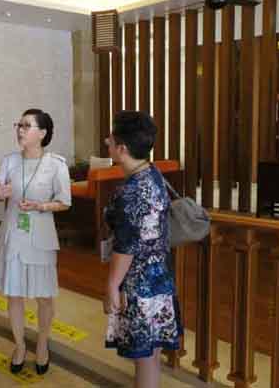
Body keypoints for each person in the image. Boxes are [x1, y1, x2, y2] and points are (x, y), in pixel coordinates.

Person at [0, 108, 71, 375]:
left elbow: (65, 202)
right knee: (14, 294)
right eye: (19, 125)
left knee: (44, 297)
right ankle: (20, 345)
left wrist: (40, 206)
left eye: (26, 126)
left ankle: (42, 343)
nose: (20, 130)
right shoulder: (9, 161)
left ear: (42, 133)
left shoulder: (56, 164)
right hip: (13, 234)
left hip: (41, 237)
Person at [102, 111, 182, 388]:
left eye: (111, 138)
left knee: (145, 358)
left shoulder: (131, 192)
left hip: (139, 283)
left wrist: (112, 285)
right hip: (160, 275)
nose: (107, 141)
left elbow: (126, 247)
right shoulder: (153, 174)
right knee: (152, 355)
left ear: (122, 149)